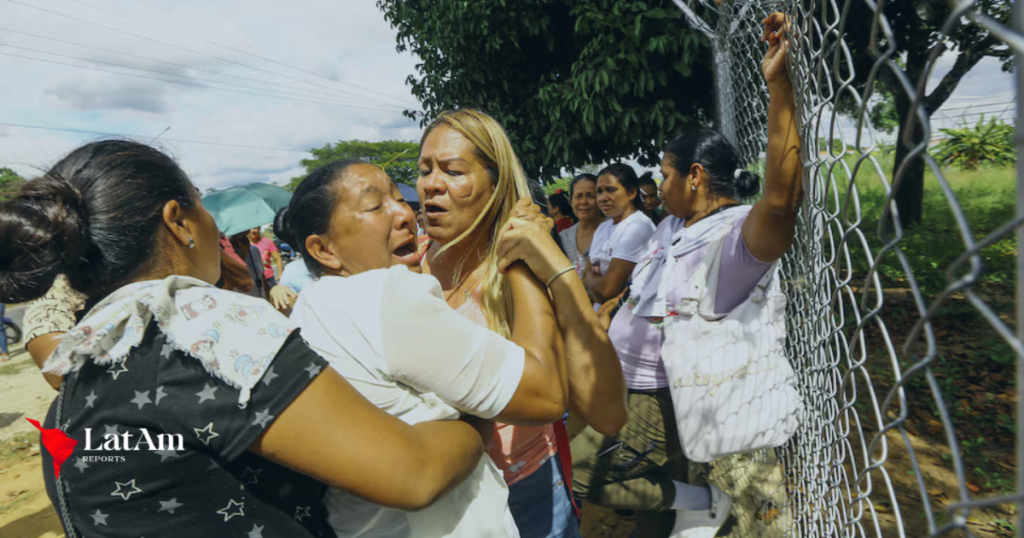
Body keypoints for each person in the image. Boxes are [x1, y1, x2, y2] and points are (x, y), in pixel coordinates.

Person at [0, 140, 492, 538]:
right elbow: (412, 473)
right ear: (178, 221)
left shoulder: (87, 356)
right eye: (200, 203)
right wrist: (477, 409)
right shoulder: (202, 325)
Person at [570, 14, 802, 537]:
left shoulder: (734, 237)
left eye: (664, 172)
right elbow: (645, 287)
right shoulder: (672, 224)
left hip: (677, 399)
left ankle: (705, 500)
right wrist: (614, 310)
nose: (657, 182)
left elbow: (783, 200)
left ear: (694, 177)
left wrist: (779, 88)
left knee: (583, 472)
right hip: (643, 389)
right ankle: (692, 504)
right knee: (664, 520)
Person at [281, 160, 567, 537]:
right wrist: (520, 262)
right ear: (323, 249)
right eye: (375, 206)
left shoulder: (309, 309)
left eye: (399, 199)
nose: (406, 213)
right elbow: (545, 396)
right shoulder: (382, 292)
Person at [418, 108, 627, 538]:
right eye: (424, 170)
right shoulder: (406, 263)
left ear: (495, 186)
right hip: (437, 496)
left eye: (453, 170)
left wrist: (554, 266)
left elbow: (607, 414)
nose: (431, 184)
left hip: (526, 493)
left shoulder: (525, 275)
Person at [583, 163, 656, 311]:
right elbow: (585, 276)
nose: (603, 198)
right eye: (599, 191)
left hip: (625, 318)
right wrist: (593, 282)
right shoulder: (604, 227)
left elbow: (607, 290)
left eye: (610, 190)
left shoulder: (637, 227)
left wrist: (591, 280)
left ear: (631, 193)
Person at [558, 173, 604, 277]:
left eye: (590, 196)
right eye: (578, 196)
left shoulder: (614, 230)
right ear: (571, 201)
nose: (583, 202)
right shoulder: (563, 237)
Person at [230, 231, 269, 299]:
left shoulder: (254, 250)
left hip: (260, 298)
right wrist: (244, 252)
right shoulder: (228, 253)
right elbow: (236, 274)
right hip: (242, 300)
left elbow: (262, 276)